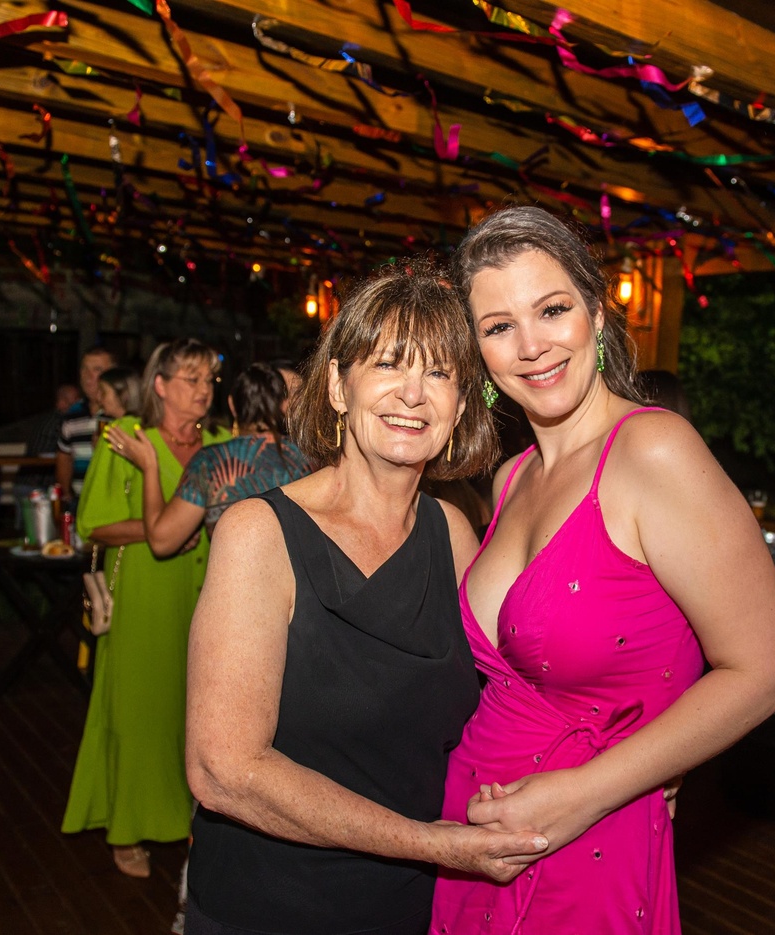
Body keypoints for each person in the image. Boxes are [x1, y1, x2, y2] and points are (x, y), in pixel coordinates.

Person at [433, 206, 775, 934]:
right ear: (478, 352)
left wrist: (584, 794)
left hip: (587, 840)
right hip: (470, 838)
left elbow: (770, 670)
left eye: (552, 309)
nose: (531, 345)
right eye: (499, 326)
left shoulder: (652, 451)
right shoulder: (510, 478)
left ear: (596, 315)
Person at [182, 262, 548, 935]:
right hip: (271, 910)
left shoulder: (452, 534)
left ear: (460, 406)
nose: (413, 393)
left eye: (438, 372)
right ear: (337, 386)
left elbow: (522, 686)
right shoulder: (260, 533)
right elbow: (223, 770)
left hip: (414, 906)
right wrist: (430, 843)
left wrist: (630, 764)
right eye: (387, 364)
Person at [63, 339, 233, 879]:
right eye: (191, 379)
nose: (203, 391)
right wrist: (166, 528)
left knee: (197, 716)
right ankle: (127, 829)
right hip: (144, 594)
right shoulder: (127, 438)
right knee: (139, 714)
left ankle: (195, 824)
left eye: (209, 381)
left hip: (212, 592)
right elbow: (93, 524)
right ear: (159, 384)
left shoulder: (223, 442)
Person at [106, 362, 311, 556]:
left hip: (235, 579)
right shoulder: (311, 458)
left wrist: (150, 465)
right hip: (300, 580)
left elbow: (162, 542)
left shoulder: (211, 462)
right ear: (284, 405)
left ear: (232, 404)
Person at [56, 346, 118, 501]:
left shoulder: (121, 414)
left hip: (113, 502)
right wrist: (66, 494)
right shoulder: (73, 414)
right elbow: (64, 457)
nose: (88, 376)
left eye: (97, 369)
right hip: (80, 501)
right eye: (84, 369)